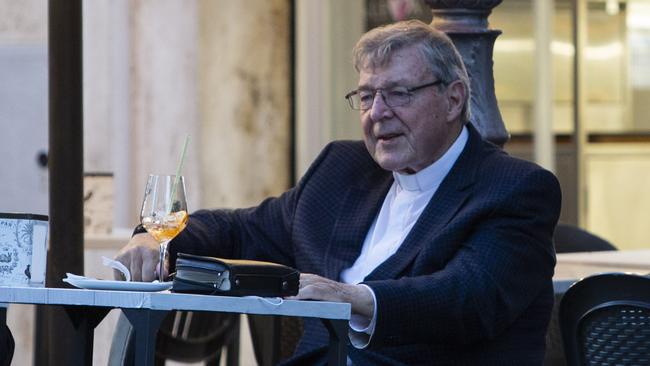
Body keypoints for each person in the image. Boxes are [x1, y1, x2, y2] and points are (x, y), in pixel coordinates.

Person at [116, 19, 561, 365]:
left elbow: (467, 299)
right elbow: (241, 229)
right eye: (366, 97)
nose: (377, 114)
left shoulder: (515, 189)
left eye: (399, 94)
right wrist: (154, 240)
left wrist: (352, 298)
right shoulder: (343, 170)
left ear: (453, 99)